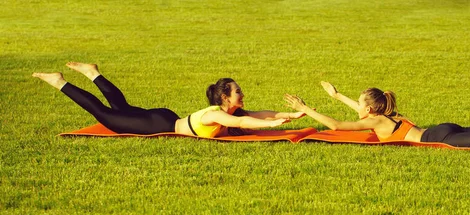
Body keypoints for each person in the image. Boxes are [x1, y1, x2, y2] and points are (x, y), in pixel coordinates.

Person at [284, 82, 470, 148]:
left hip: (441, 137)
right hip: (442, 129)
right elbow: (357, 111)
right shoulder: (384, 115)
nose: (359, 108)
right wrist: (337, 96)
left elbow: (338, 124)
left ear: (369, 110)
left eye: (360, 105)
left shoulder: (375, 120)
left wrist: (307, 109)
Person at [32, 62, 306, 136]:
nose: (243, 95)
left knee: (121, 109)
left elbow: (258, 114)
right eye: (238, 92)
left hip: (164, 118)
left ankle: (93, 73)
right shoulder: (215, 114)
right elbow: (252, 120)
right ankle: (60, 81)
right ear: (225, 97)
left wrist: (290, 116)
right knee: (106, 116)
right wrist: (273, 126)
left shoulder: (227, 112)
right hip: (159, 124)